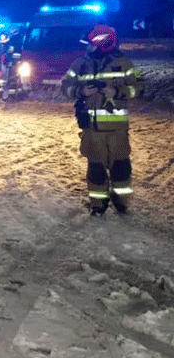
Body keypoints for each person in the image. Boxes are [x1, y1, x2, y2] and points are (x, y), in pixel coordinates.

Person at [61, 24, 143, 216]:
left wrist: (117, 92)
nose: (91, 46)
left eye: (94, 42)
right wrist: (80, 91)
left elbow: (139, 88)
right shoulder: (81, 64)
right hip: (92, 129)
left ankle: (122, 203)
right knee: (96, 167)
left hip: (117, 130)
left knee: (121, 166)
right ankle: (98, 205)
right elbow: (65, 86)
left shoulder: (125, 64)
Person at [0, 29, 21, 105]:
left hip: (7, 65)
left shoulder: (6, 46)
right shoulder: (11, 44)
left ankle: (6, 96)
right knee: (7, 81)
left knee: (7, 81)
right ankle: (8, 96)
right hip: (8, 65)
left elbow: (7, 55)